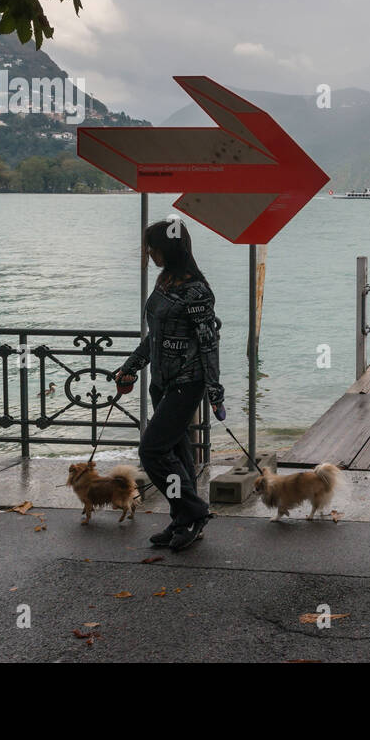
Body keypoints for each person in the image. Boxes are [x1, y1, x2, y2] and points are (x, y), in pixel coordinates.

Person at [115, 219, 225, 551]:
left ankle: (194, 512)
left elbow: (208, 345)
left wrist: (215, 391)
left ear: (170, 248)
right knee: (177, 453)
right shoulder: (165, 281)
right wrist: (131, 367)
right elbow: (156, 337)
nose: (149, 253)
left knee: (152, 450)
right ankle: (183, 520)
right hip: (161, 383)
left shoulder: (197, 291)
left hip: (186, 384)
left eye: (154, 247)